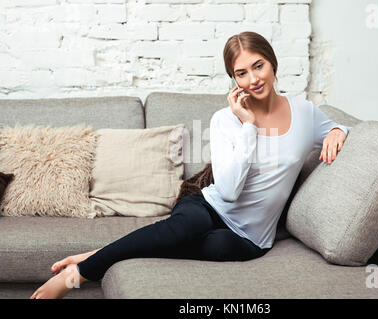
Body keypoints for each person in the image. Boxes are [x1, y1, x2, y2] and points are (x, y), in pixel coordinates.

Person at [30, 31, 350, 299]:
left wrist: (338, 130)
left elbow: (340, 128)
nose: (253, 79)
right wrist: (249, 125)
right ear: (233, 80)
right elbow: (228, 189)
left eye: (259, 66)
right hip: (207, 206)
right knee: (189, 226)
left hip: (251, 237)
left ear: (273, 63)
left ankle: (98, 254)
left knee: (217, 245)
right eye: (241, 73)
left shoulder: (305, 113)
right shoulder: (226, 120)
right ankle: (75, 277)